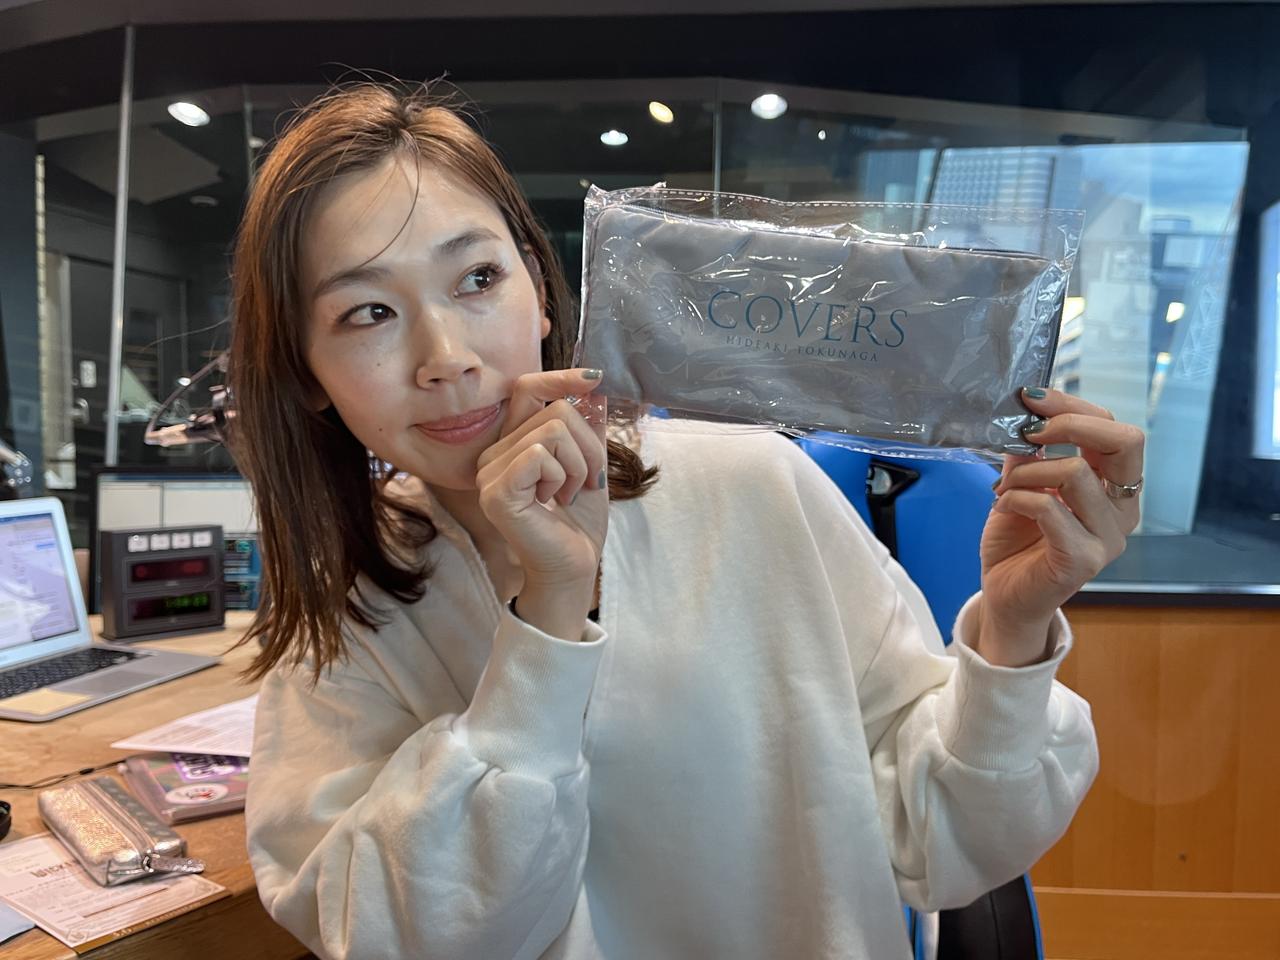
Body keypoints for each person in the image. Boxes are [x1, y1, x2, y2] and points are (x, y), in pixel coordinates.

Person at [231, 82, 1144, 960]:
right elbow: (398, 934)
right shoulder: (345, 612)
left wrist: (1016, 629)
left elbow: (942, 837)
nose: (446, 358)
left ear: (539, 291)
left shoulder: (750, 484)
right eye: (369, 312)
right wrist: (548, 615)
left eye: (476, 277)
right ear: (307, 372)